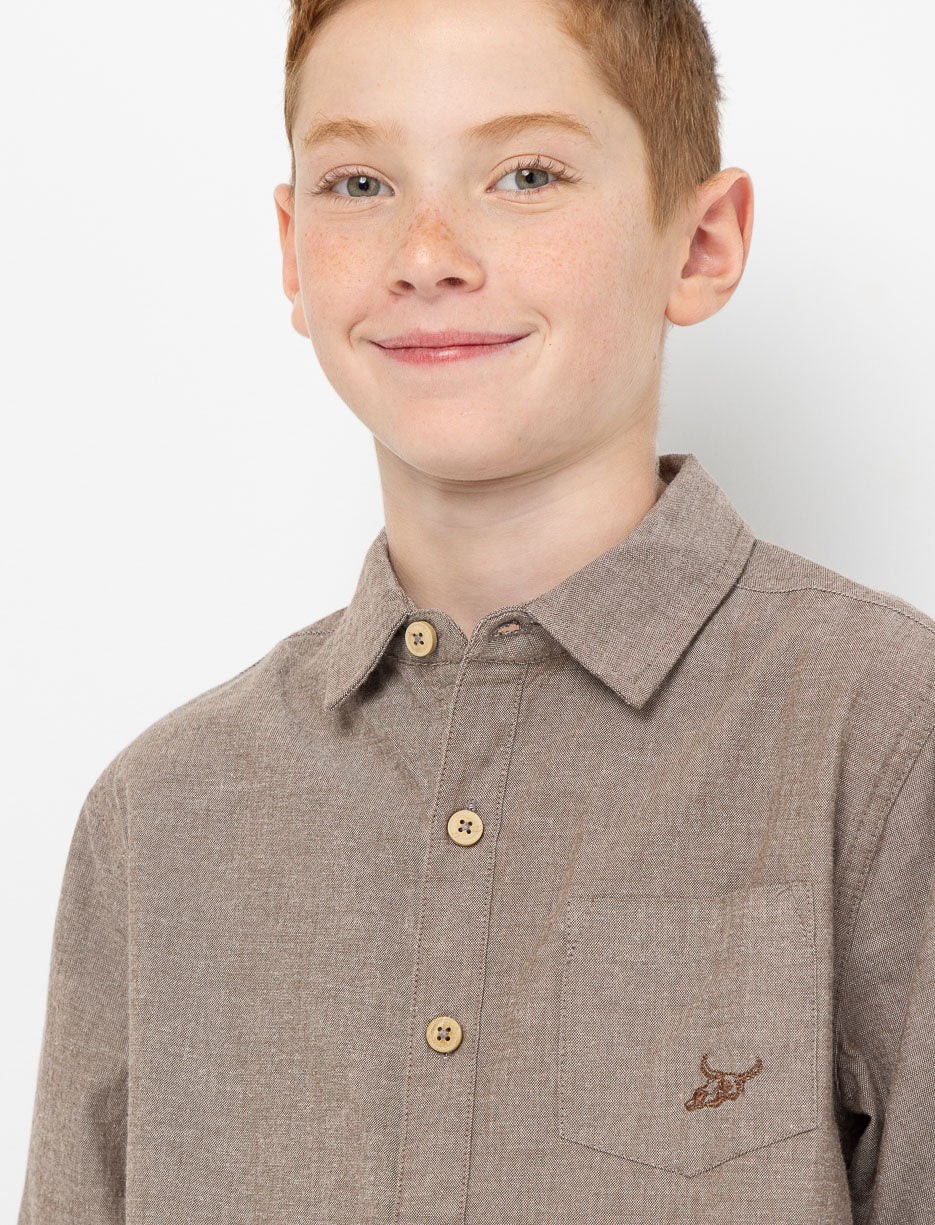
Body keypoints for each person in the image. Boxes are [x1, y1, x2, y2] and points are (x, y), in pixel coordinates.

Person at [17, 0, 935, 1222]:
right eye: (359, 183)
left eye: (525, 174)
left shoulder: (885, 735)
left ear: (700, 243)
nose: (426, 251)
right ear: (291, 252)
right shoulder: (160, 818)